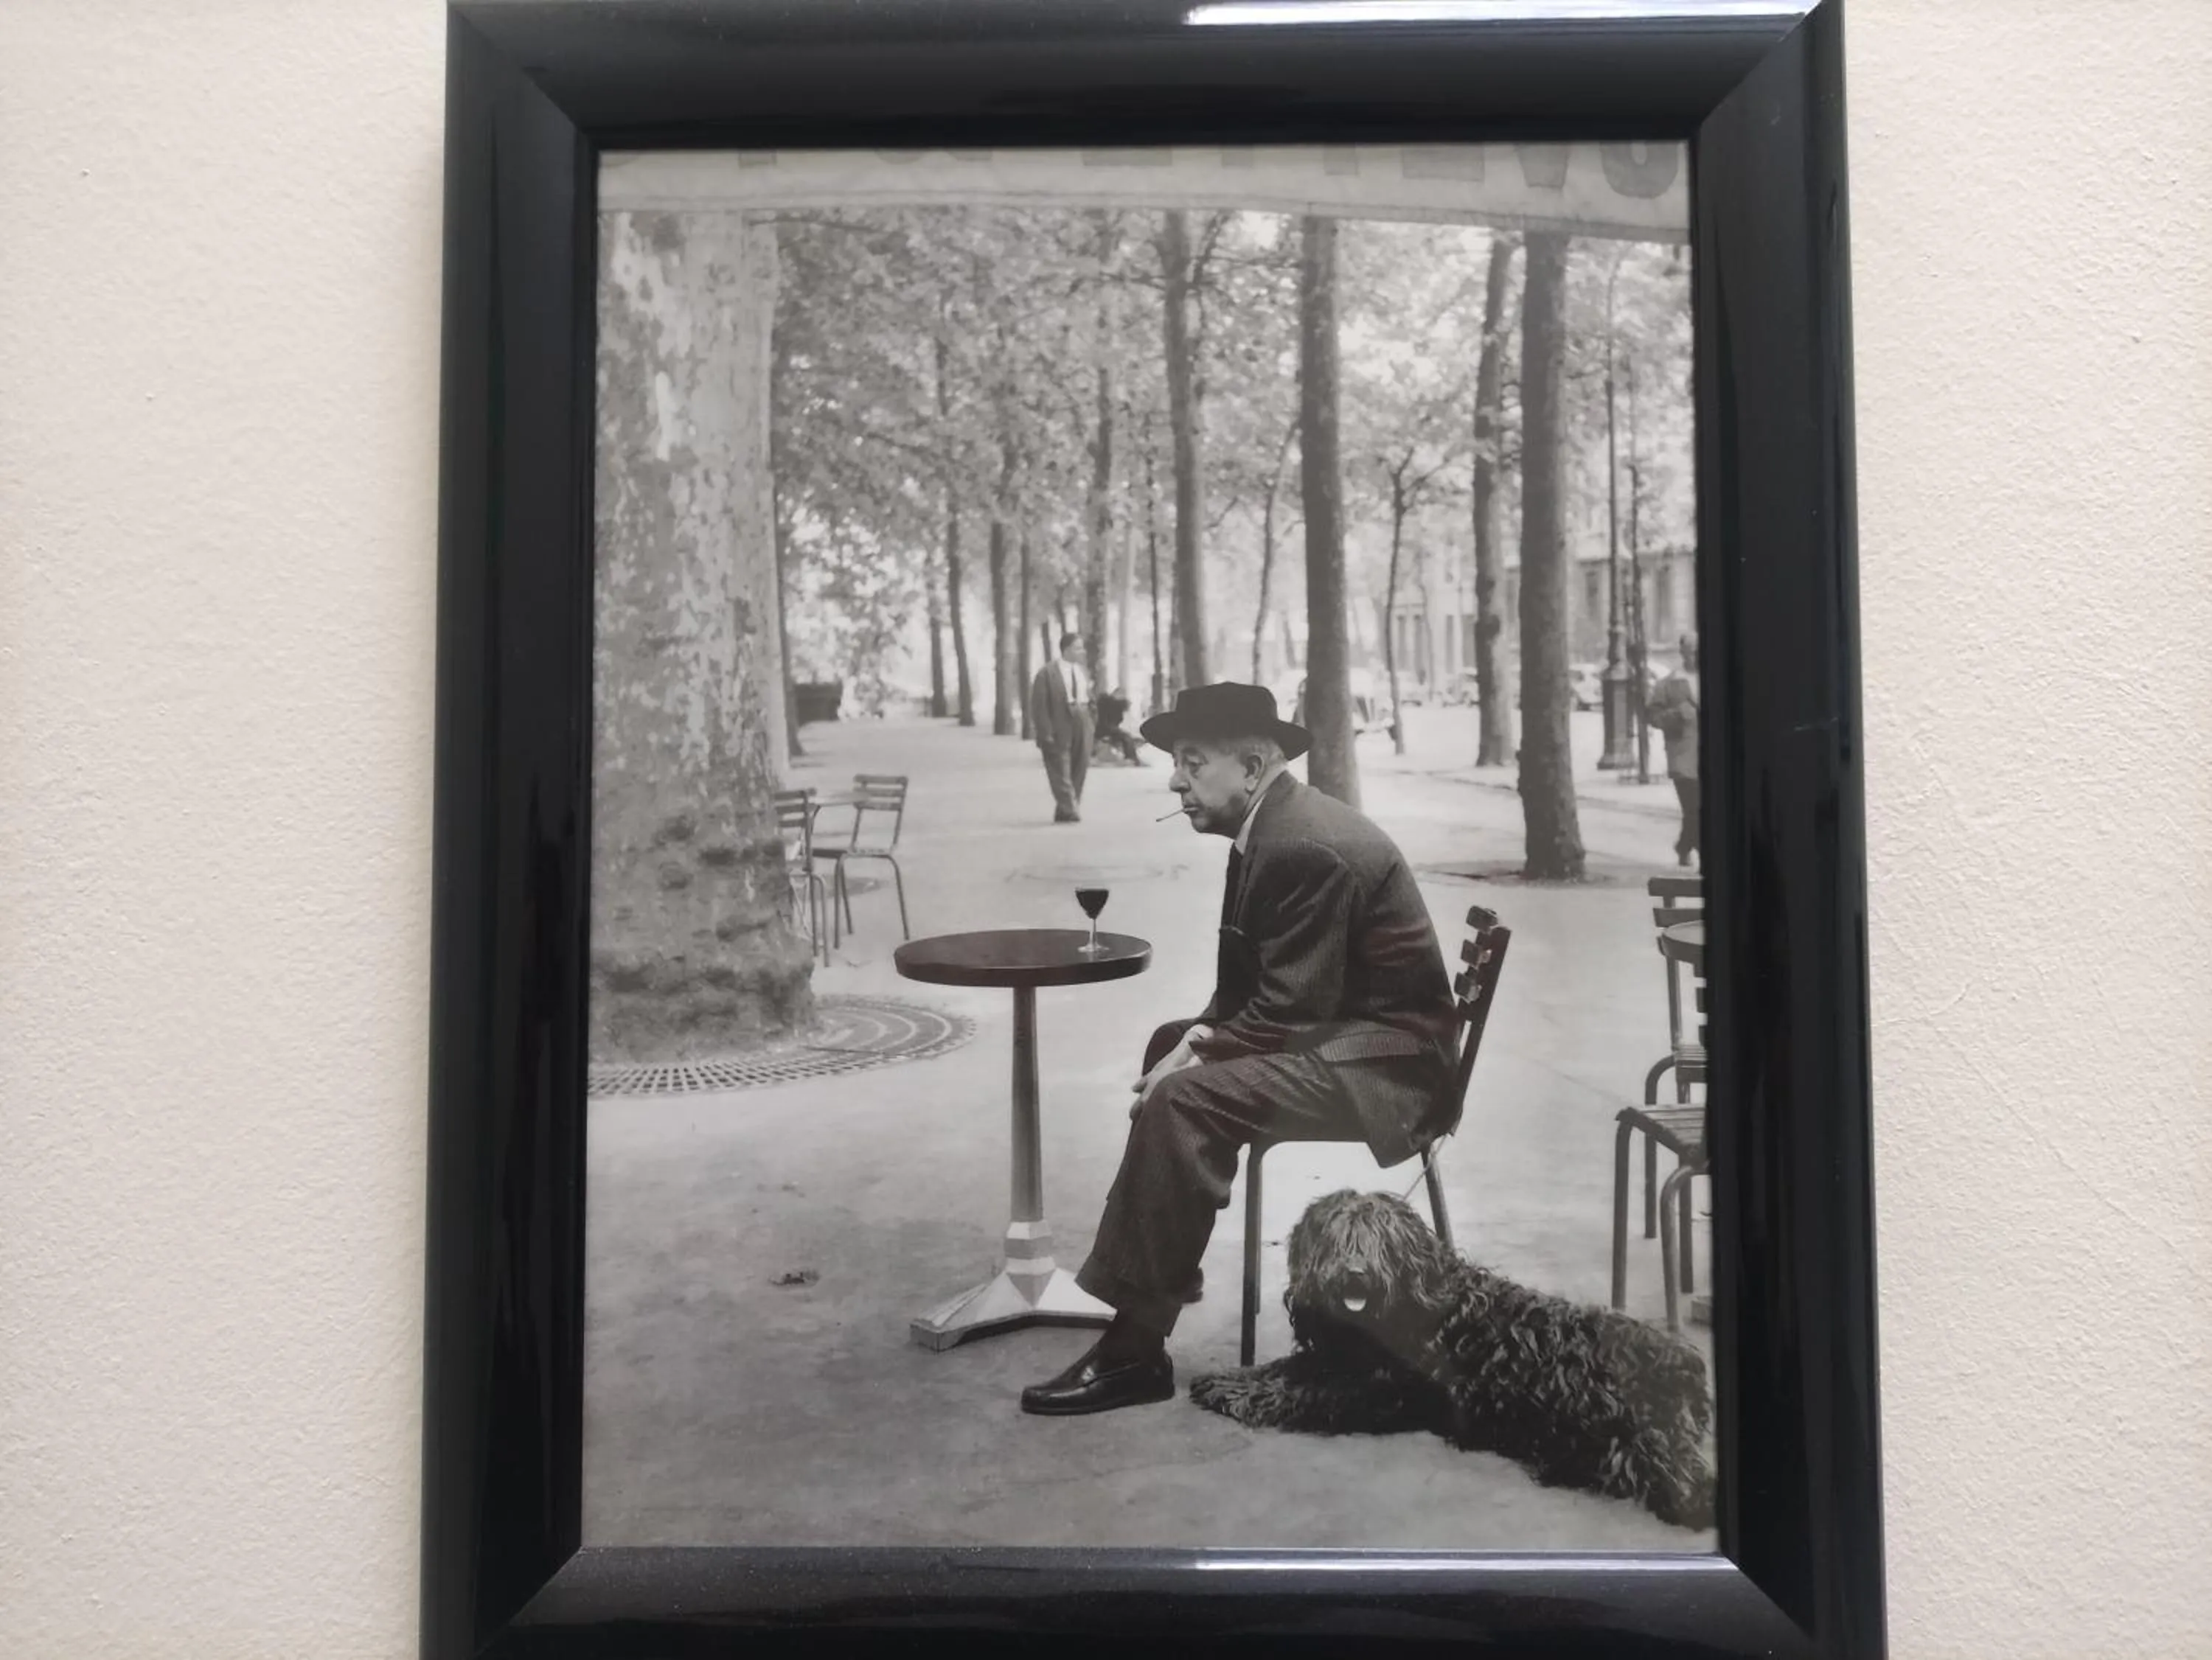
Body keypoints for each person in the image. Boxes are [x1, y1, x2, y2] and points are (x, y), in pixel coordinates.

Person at [1020, 682, 1458, 1416]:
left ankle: (1135, 1345)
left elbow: (1290, 1007)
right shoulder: (1270, 827)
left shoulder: (1301, 845)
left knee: (1185, 1098)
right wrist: (1190, 1038)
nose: (1174, 779)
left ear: (1253, 767)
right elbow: (1250, 986)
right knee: (1173, 1055)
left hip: (1388, 1068)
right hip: (1349, 1040)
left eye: (1193, 762)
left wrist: (1195, 1056)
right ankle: (1148, 1270)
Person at [1646, 632, 1701, 867]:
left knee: (1701, 810)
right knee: (1693, 808)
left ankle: (1683, 845)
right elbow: (1653, 717)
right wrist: (1676, 715)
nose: (1696, 656)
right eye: (1692, 651)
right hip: (1682, 756)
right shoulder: (1668, 684)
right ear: (1683, 653)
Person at [1027, 632, 1094, 823]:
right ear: (1066, 650)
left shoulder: (1082, 672)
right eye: (1077, 648)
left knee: (1079, 767)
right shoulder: (1047, 673)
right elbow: (1039, 705)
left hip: (1082, 720)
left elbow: (1091, 697)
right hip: (1059, 723)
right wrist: (1045, 732)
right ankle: (1070, 808)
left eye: (1082, 648)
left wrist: (1091, 721)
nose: (1081, 652)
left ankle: (1066, 809)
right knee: (1060, 768)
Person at [1093, 685, 1144, 766]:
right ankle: (1131, 758)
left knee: (1126, 737)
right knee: (1126, 738)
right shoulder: (1113, 705)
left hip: (1104, 729)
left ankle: (1132, 758)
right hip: (1106, 729)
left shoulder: (1105, 702)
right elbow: (1117, 721)